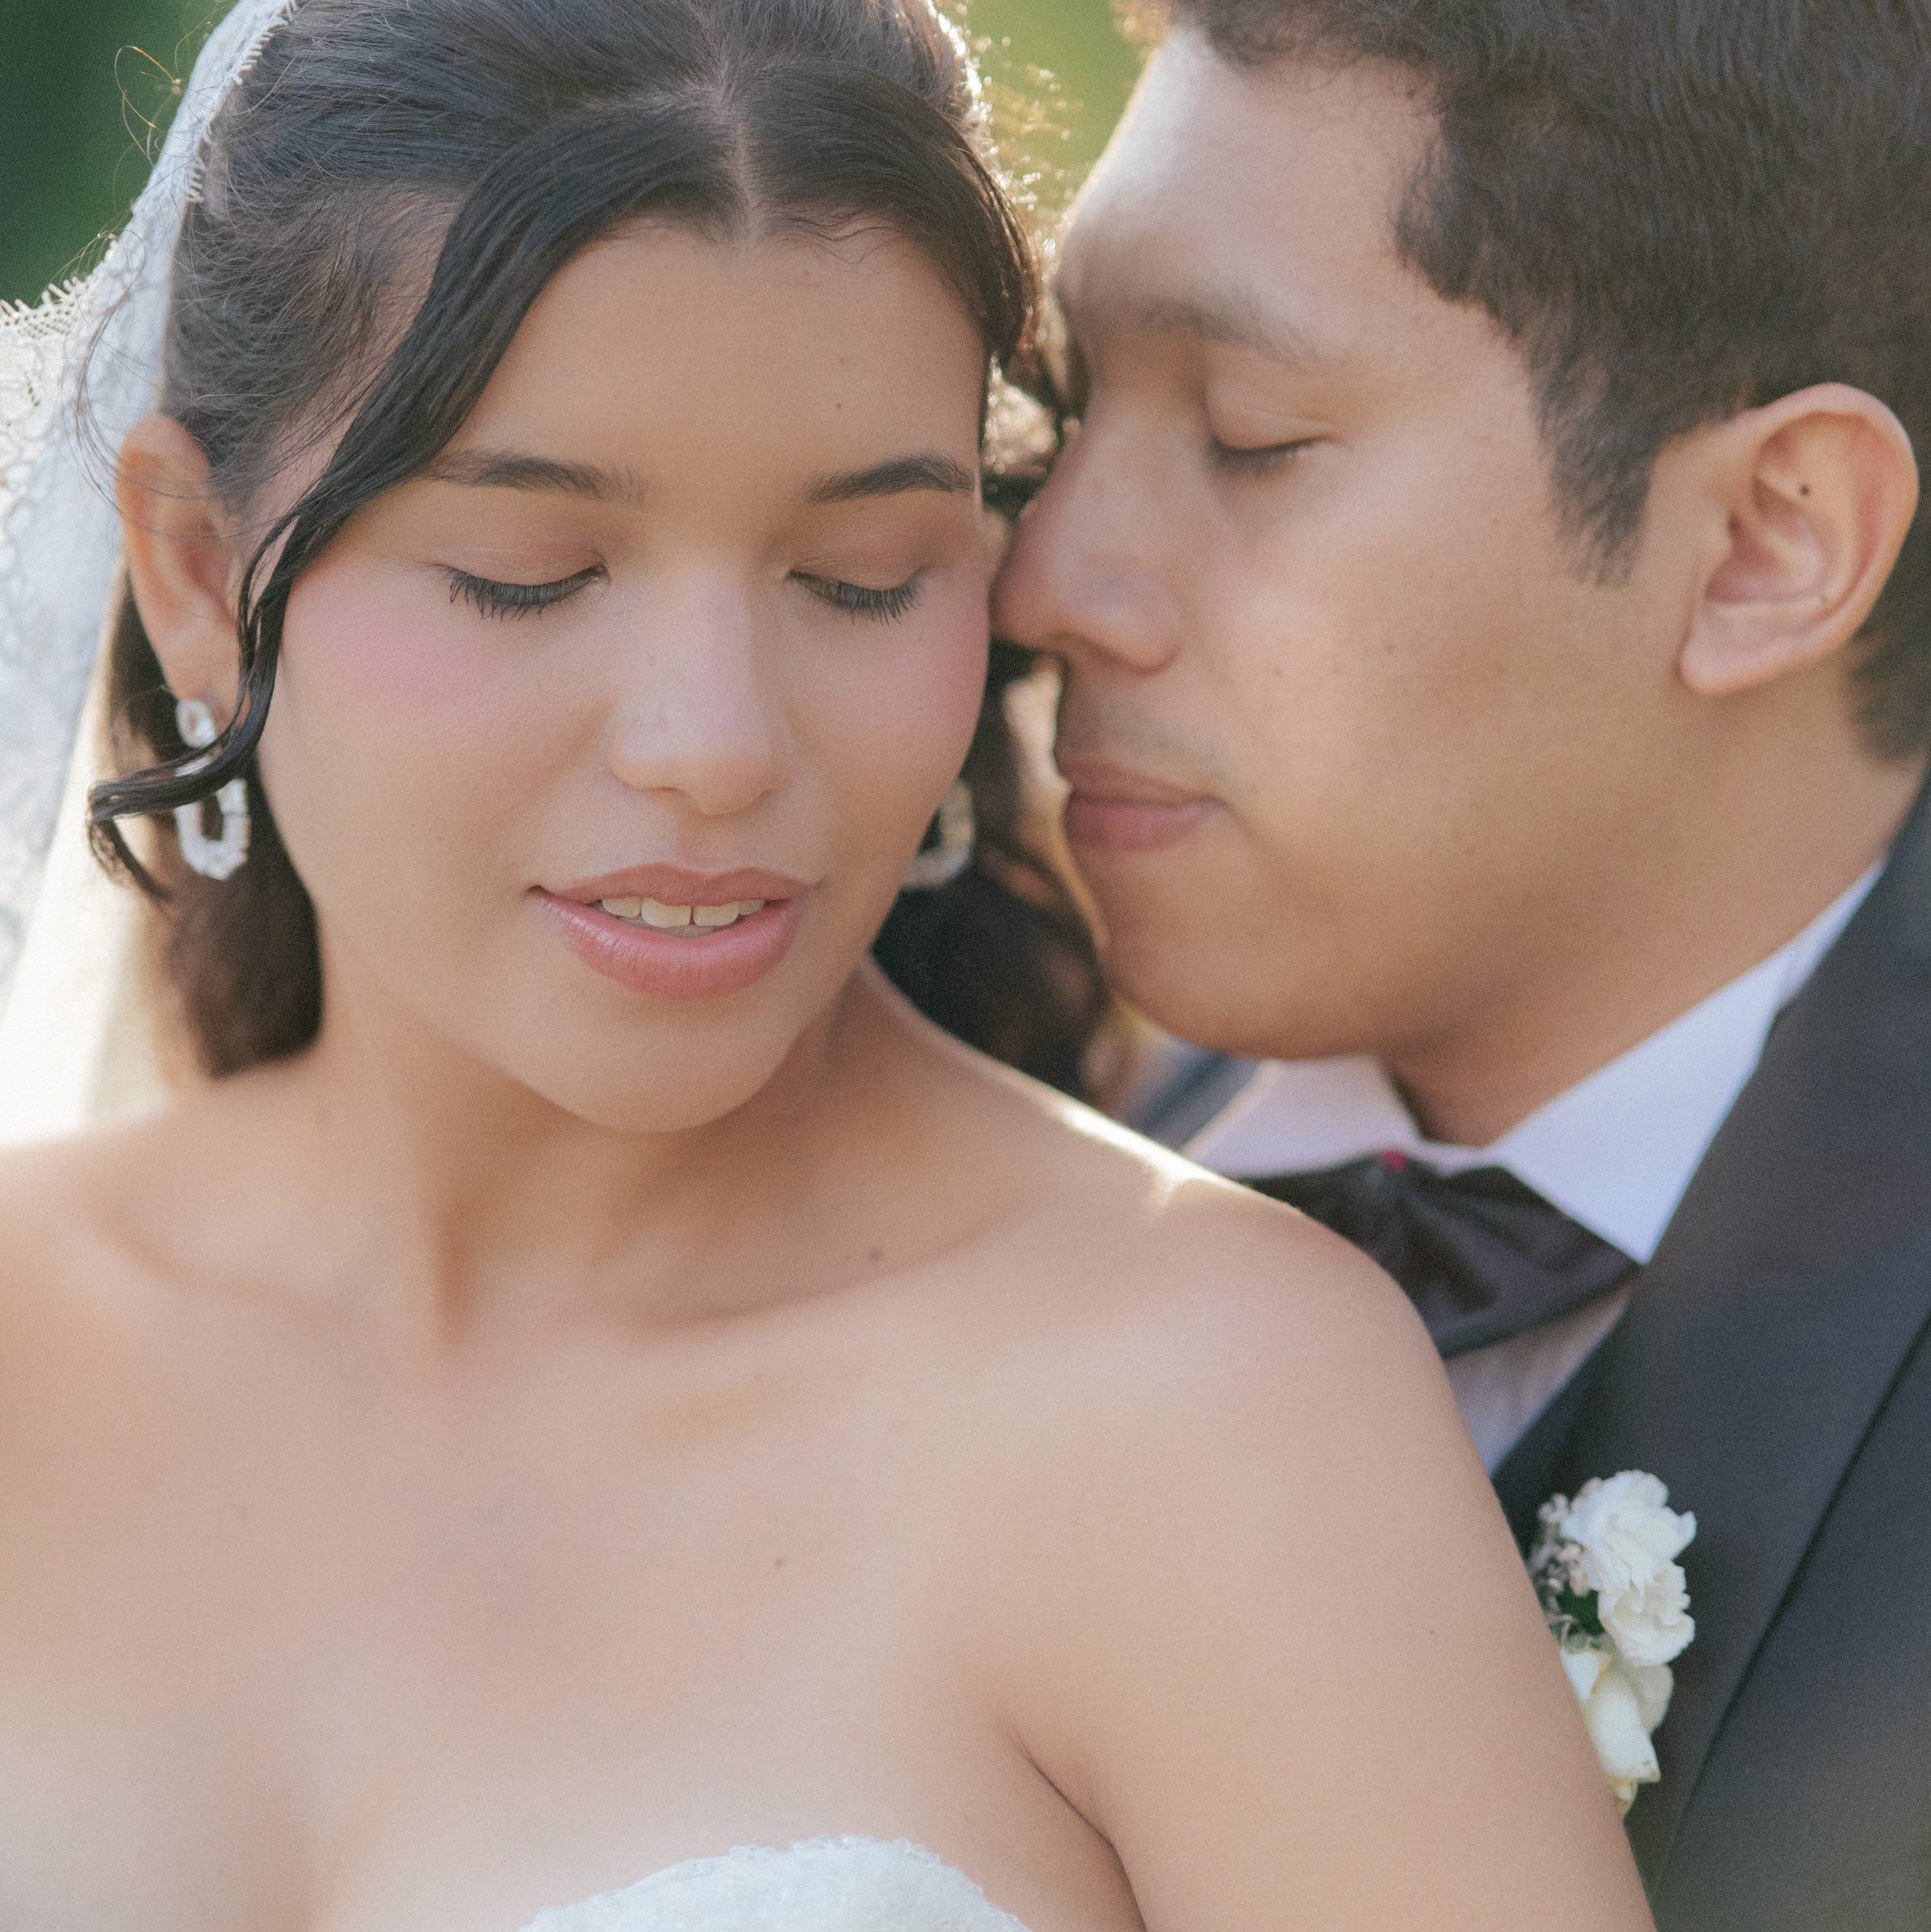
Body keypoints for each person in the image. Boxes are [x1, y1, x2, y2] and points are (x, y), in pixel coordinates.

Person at [0, 2, 1658, 1928]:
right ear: (200, 574)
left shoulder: (1212, 1413)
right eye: (529, 573)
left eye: (863, 578)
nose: (716, 741)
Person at [994, 1, 1931, 1926]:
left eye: (1249, 440)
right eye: (1072, 403)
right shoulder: (1009, 1164)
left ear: (1766, 540)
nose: (1045, 582)